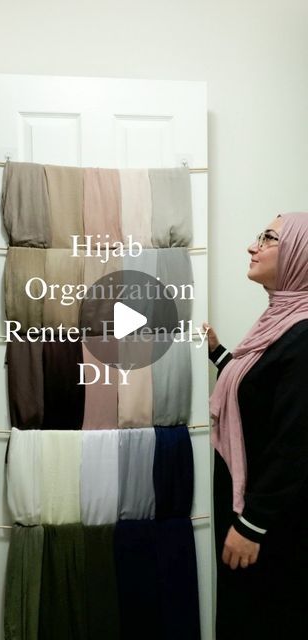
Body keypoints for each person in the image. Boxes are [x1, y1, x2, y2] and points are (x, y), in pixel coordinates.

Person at [204, 212, 308, 640]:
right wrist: (220, 354)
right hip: (254, 515)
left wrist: (252, 526)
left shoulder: (303, 337)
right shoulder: (280, 324)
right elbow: (262, 390)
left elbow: (296, 442)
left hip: (274, 529)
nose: (253, 246)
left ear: (300, 256)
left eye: (268, 238)